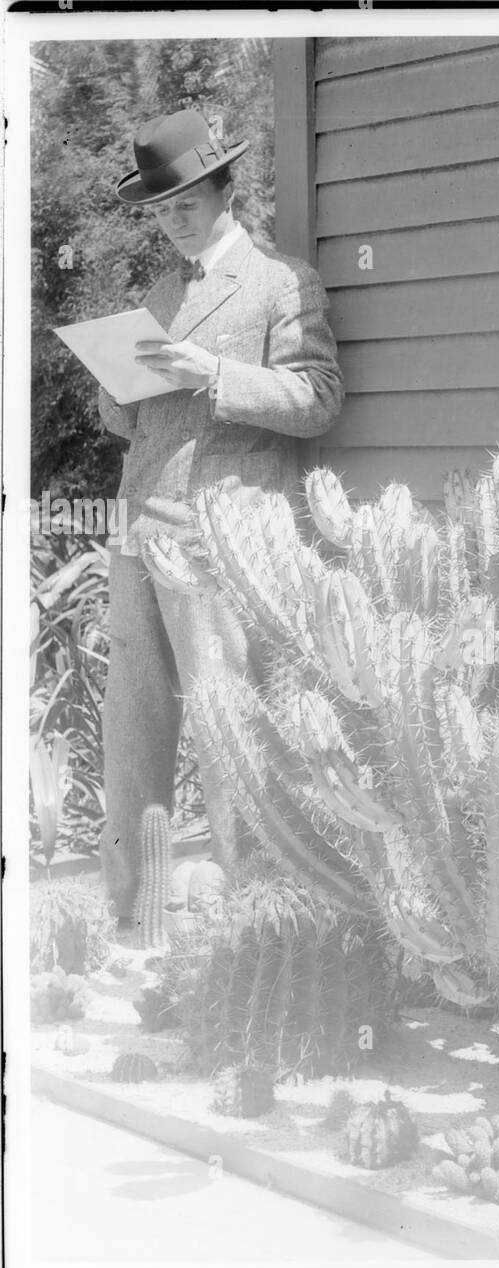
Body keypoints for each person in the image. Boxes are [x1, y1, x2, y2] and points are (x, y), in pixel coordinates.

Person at [97, 107, 343, 934]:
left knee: (227, 722)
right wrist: (113, 385)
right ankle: (130, 913)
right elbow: (130, 424)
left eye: (186, 199)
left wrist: (214, 373)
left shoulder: (283, 281)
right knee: (133, 724)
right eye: (160, 207)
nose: (172, 217)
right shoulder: (159, 293)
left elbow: (317, 401)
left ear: (224, 189)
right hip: (139, 529)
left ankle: (250, 917)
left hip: (221, 537)